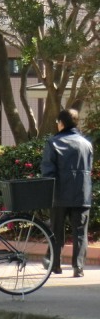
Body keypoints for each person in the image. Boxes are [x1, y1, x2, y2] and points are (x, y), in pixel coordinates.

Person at [41, 108, 94, 277]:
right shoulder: (86, 144)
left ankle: (55, 265)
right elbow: (89, 168)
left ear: (61, 123)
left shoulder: (53, 142)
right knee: (80, 232)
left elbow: (48, 171)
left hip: (59, 194)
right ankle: (78, 268)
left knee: (56, 231)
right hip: (82, 193)